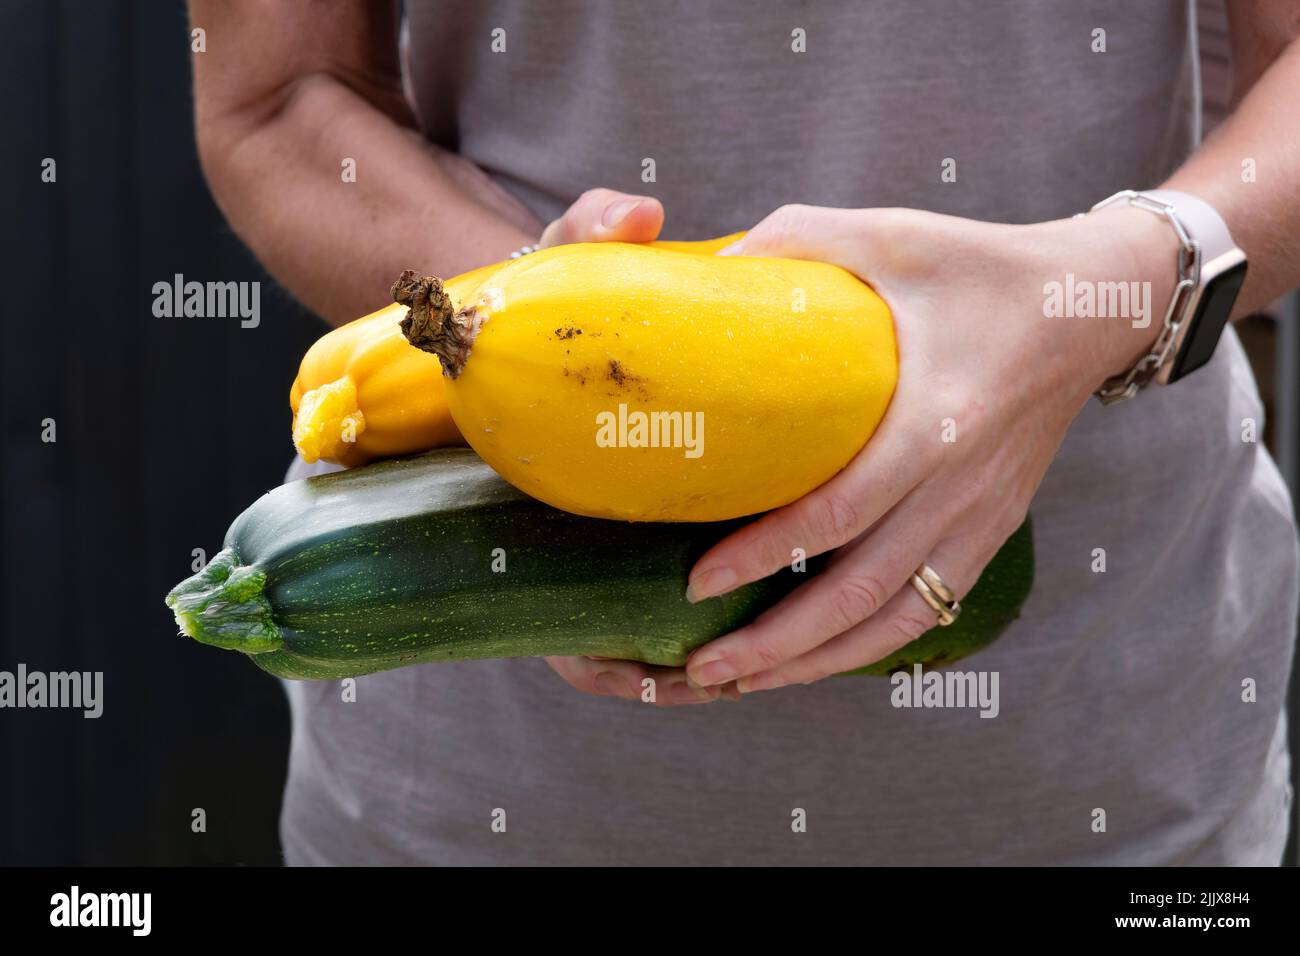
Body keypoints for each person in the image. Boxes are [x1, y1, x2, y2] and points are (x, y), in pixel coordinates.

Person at [191, 0, 1300, 864]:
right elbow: (280, 94)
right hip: (480, 797)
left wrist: (1111, 287)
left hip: (1104, 774)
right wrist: (523, 321)